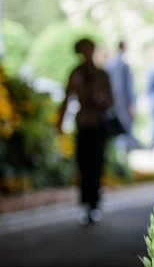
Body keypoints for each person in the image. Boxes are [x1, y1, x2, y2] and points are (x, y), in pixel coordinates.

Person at [57, 38, 114, 225]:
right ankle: (86, 201)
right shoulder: (76, 73)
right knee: (84, 163)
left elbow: (110, 100)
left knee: (96, 163)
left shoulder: (101, 74)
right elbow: (67, 97)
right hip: (83, 124)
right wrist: (59, 121)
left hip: (97, 124)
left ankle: (94, 202)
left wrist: (100, 100)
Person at [106, 40, 138, 152]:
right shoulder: (123, 65)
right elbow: (128, 86)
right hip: (123, 102)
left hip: (115, 102)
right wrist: (132, 103)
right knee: (124, 128)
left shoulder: (110, 64)